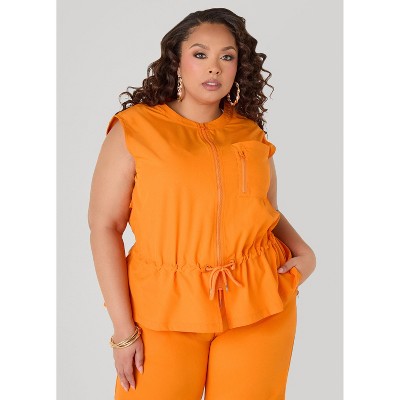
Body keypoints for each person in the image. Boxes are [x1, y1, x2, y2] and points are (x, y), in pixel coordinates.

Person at [88, 7, 316, 400]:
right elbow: (105, 226)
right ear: (176, 61)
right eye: (200, 54)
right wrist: (124, 332)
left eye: (227, 56)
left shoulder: (248, 132)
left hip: (259, 303)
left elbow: (263, 209)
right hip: (163, 309)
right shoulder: (135, 129)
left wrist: (304, 252)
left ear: (238, 67)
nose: (214, 67)